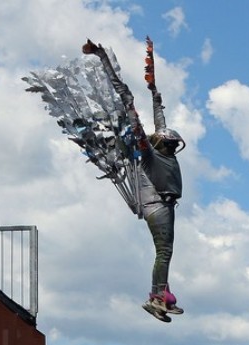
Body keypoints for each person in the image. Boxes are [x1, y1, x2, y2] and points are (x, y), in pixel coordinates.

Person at [82, 38, 185, 322]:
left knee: (166, 252)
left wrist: (154, 90)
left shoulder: (161, 146)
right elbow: (130, 107)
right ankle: (156, 297)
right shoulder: (149, 153)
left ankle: (160, 294)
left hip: (167, 205)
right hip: (157, 205)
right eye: (172, 145)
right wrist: (104, 59)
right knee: (164, 251)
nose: (175, 148)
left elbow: (159, 114)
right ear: (163, 144)